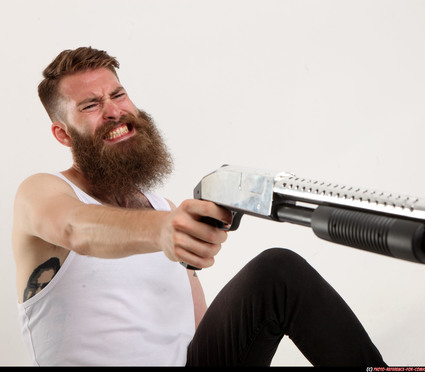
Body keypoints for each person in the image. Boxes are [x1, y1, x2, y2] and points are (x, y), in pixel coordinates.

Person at [12, 47, 386, 367]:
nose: (113, 111)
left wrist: (168, 223)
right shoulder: (42, 191)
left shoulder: (163, 207)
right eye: (91, 105)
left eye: (118, 94)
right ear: (63, 133)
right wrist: (161, 230)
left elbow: (200, 331)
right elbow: (75, 227)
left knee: (277, 271)